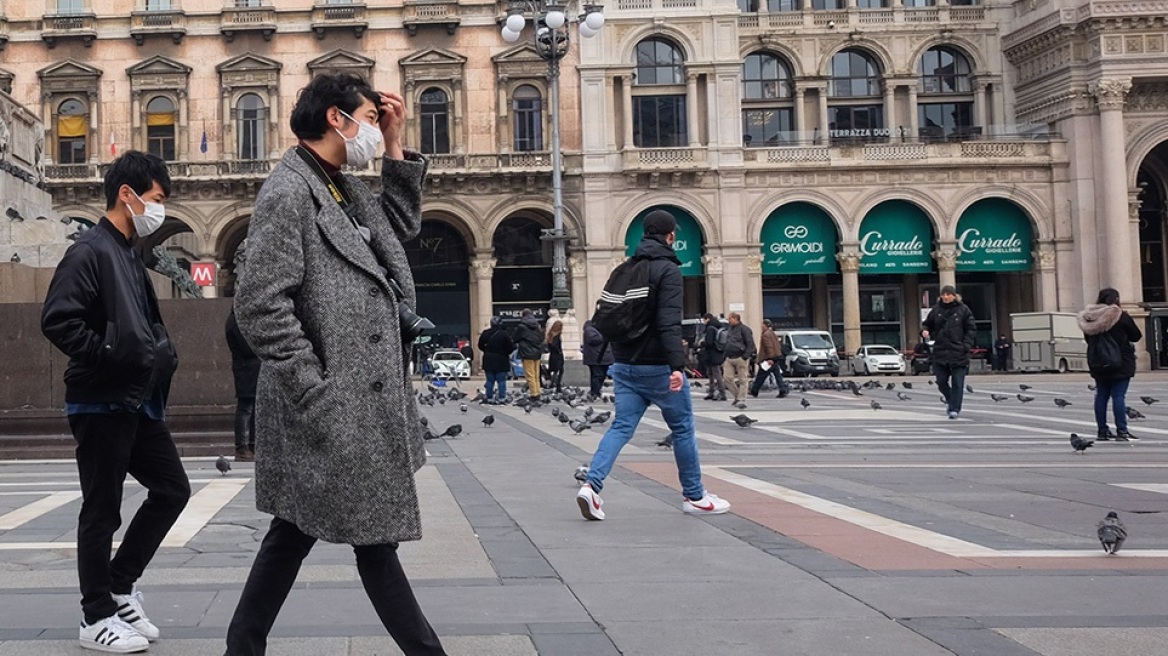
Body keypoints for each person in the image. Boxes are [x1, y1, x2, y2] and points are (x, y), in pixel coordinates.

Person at [226, 73, 446, 656]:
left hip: (353, 398)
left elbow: (398, 229)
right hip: (331, 402)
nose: (374, 128)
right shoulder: (289, 190)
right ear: (336, 118)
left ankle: (241, 646)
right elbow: (259, 304)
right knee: (371, 540)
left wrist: (394, 143)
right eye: (370, 118)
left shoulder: (339, 185)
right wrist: (314, 390)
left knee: (294, 532)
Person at [41, 150, 191, 653]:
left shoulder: (127, 251)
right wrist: (109, 354)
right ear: (127, 194)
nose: (159, 209)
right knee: (102, 511)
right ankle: (96, 616)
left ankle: (119, 585)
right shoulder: (90, 250)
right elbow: (58, 320)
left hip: (136, 399)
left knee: (172, 490)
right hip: (102, 400)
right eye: (156, 198)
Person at [576, 209, 730, 520]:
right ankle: (695, 496)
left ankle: (591, 486)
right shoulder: (668, 270)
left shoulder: (624, 269)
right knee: (682, 428)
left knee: (621, 427)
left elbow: (607, 317)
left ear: (645, 235)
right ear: (670, 236)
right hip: (658, 367)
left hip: (624, 364)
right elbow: (668, 323)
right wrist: (677, 366)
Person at [1078, 288, 1142, 441]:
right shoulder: (1121, 316)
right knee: (1118, 396)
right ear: (1116, 299)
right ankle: (1122, 431)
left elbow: (1088, 340)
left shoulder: (1089, 318)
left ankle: (1102, 431)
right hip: (1121, 361)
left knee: (1101, 396)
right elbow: (1136, 336)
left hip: (1098, 361)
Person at [922, 285, 976, 419]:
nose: (945, 297)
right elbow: (927, 323)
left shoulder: (963, 310)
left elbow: (971, 329)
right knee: (941, 382)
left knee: (958, 382)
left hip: (958, 352)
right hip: (940, 352)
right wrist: (924, 330)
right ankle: (951, 399)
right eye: (943, 294)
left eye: (948, 294)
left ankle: (954, 409)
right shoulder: (936, 310)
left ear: (954, 295)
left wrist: (966, 346)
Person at [226, 305, 260, 463]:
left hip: (250, 368)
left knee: (253, 408)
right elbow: (246, 346)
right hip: (246, 369)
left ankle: (252, 446)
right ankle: (241, 447)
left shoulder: (239, 318)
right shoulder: (236, 320)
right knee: (245, 408)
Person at [722, 312, 756, 408]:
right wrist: (724, 356)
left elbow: (750, 344)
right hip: (729, 357)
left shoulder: (745, 329)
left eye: (730, 318)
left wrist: (745, 356)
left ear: (735, 319)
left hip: (740, 357)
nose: (728, 320)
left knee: (743, 379)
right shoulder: (730, 329)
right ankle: (737, 396)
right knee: (727, 378)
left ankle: (741, 399)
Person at [749, 319, 789, 398]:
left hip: (769, 358)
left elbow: (769, 347)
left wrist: (770, 358)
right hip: (776, 357)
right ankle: (783, 389)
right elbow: (777, 345)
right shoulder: (772, 333)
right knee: (777, 375)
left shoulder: (766, 334)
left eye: (762, 324)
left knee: (761, 375)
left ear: (765, 325)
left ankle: (754, 390)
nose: (761, 326)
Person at [478, 317, 513, 405]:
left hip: (488, 359)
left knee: (490, 380)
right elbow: (510, 347)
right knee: (501, 380)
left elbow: (480, 345)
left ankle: (489, 397)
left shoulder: (485, 333)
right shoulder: (504, 334)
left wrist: (487, 350)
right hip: (501, 359)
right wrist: (504, 352)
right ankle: (502, 398)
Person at [514, 308, 544, 402]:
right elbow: (541, 338)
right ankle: (538, 392)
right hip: (537, 353)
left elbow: (515, 338)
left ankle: (534, 394)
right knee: (536, 375)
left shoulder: (522, 326)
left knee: (530, 375)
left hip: (527, 353)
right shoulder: (537, 326)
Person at [581, 319, 613, 400]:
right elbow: (593, 339)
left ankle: (596, 391)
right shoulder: (589, 329)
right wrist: (605, 335)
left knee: (600, 375)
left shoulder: (595, 329)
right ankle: (595, 392)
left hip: (600, 357)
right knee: (597, 375)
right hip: (596, 358)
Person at [699, 313, 727, 401]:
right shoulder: (717, 326)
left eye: (704, 319)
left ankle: (721, 393)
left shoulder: (710, 328)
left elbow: (709, 343)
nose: (703, 321)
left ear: (707, 319)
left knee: (715, 373)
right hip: (717, 353)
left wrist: (702, 343)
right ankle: (712, 392)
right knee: (711, 373)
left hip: (712, 354)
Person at [545, 319, 564, 392]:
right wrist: (560, 352)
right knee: (560, 371)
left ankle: (552, 384)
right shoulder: (557, 336)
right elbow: (556, 346)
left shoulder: (550, 334)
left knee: (555, 371)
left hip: (552, 355)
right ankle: (557, 386)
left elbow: (549, 346)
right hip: (557, 356)